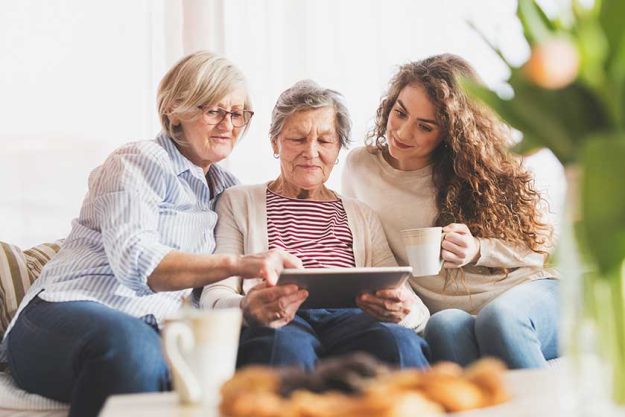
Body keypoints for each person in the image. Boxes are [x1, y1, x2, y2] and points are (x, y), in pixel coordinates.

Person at [0, 51, 300, 417]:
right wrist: (238, 264)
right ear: (175, 110)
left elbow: (213, 294)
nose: (228, 124)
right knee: (134, 348)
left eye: (237, 113)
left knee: (274, 347)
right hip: (64, 314)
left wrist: (252, 303)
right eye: (213, 111)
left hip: (156, 331)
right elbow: (137, 263)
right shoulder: (137, 161)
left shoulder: (228, 192)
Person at [342, 54, 559, 369]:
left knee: (498, 320)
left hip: (529, 292)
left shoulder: (479, 170)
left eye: (425, 127)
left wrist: (477, 250)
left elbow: (542, 248)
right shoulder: (360, 167)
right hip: (452, 311)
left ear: (450, 132)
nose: (402, 132)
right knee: (442, 328)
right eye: (399, 113)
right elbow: (362, 248)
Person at [201, 80, 430, 370]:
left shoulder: (362, 214)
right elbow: (214, 295)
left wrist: (403, 311)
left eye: (324, 141)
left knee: (399, 345)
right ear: (275, 142)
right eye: (298, 139)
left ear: (338, 149)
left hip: (354, 319)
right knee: (282, 350)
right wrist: (248, 308)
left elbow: (411, 303)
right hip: (281, 321)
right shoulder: (238, 201)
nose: (311, 152)